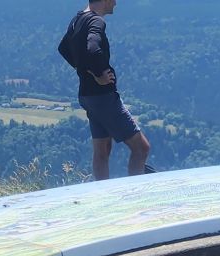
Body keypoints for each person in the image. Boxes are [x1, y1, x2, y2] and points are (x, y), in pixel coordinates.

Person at [58, 0, 152, 180]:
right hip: (103, 97)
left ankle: (102, 194)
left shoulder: (77, 19)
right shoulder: (96, 21)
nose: (116, 3)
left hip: (87, 95)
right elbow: (93, 48)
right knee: (141, 148)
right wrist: (98, 74)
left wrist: (84, 71)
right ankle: (136, 194)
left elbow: (63, 49)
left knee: (102, 150)